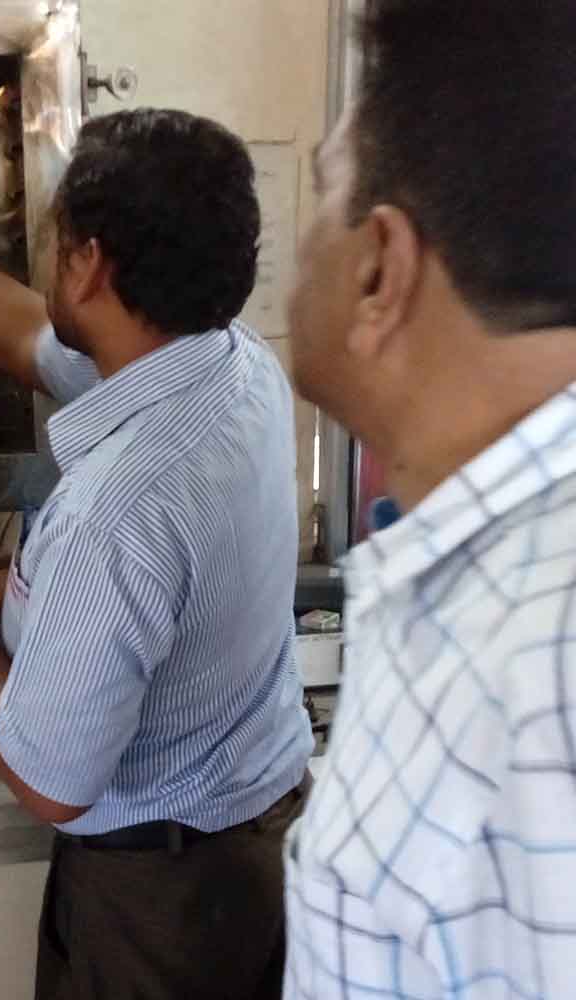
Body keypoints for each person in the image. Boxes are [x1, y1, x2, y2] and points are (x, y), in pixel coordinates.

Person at [0, 108, 314, 1000]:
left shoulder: (113, 513)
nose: (46, 257)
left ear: (90, 264)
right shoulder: (236, 365)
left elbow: (52, 784)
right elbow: (24, 334)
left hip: (159, 905)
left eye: (55, 238)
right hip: (263, 852)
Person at [285, 1, 576, 996]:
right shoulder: (467, 581)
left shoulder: (548, 649)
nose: (298, 247)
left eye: (321, 192)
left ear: (381, 269)